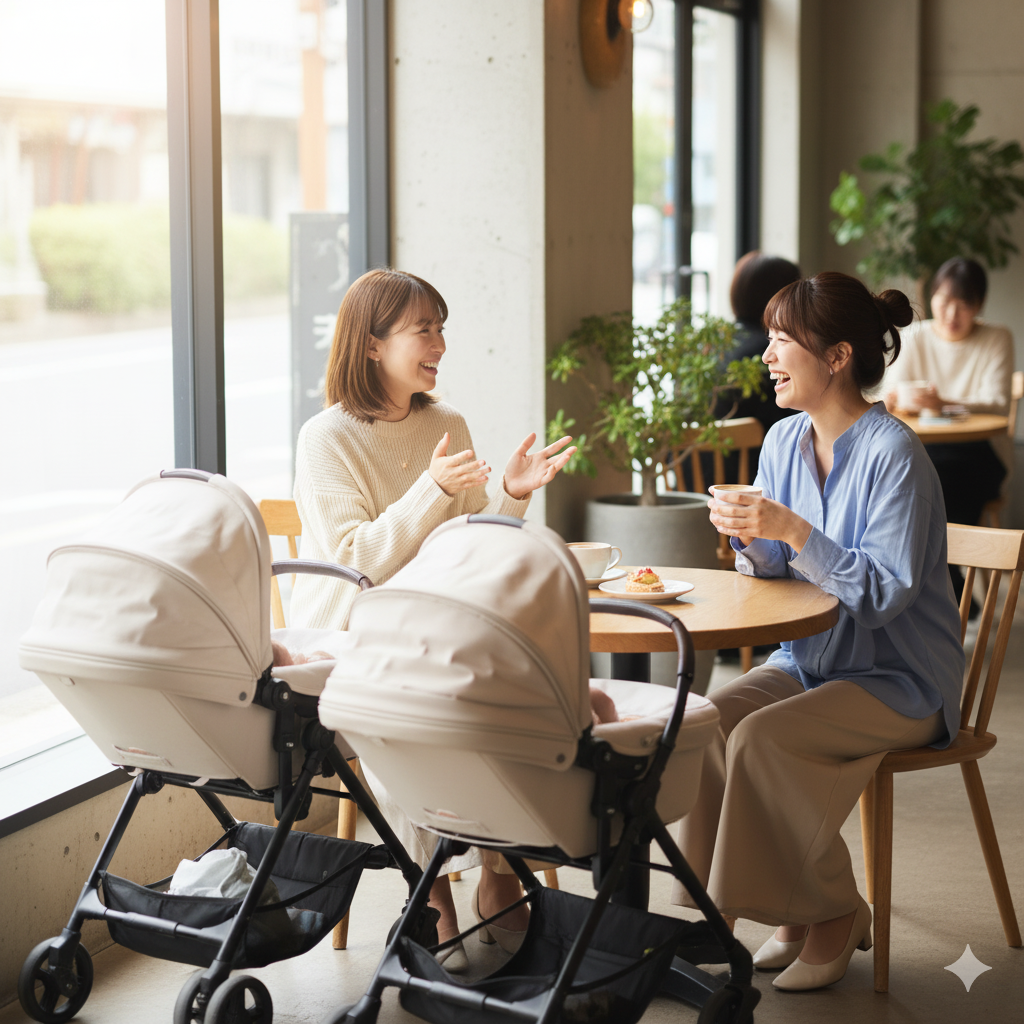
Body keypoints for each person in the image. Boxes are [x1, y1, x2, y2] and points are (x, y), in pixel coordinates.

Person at [676, 272, 964, 992]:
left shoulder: (895, 454)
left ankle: (832, 910)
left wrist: (795, 529)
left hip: (901, 678)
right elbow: (776, 573)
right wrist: (751, 537)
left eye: (782, 341)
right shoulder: (782, 440)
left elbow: (883, 593)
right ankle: (773, 914)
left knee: (763, 739)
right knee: (706, 722)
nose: (766, 356)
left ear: (837, 357)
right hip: (808, 659)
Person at [290, 268, 576, 970]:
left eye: (441, 329)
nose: (440, 344)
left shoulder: (446, 424)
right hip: (352, 639)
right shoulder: (325, 438)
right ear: (370, 344)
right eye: (424, 330)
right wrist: (429, 489)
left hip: (438, 631)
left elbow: (471, 544)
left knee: (516, 694)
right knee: (413, 717)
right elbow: (355, 560)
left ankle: (499, 871)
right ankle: (435, 893)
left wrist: (511, 495)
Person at [882, 257, 1015, 600]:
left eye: (964, 304)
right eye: (944, 302)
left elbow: (998, 402)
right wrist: (896, 399)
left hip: (981, 450)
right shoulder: (914, 336)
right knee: (910, 475)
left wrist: (943, 403)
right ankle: (946, 588)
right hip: (924, 447)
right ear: (931, 299)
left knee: (942, 480)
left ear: (979, 305)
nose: (952, 314)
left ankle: (945, 585)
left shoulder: (996, 337)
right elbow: (890, 393)